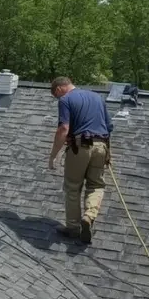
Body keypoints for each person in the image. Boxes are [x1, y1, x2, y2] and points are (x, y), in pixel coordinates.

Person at [47, 76, 113, 244]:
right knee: (96, 185)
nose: (58, 98)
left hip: (80, 146)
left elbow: (63, 128)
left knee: (72, 187)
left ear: (59, 89)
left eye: (56, 95)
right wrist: (108, 152)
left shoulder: (66, 100)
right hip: (101, 145)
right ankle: (89, 216)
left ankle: (73, 227)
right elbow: (109, 127)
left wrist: (53, 155)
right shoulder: (97, 97)